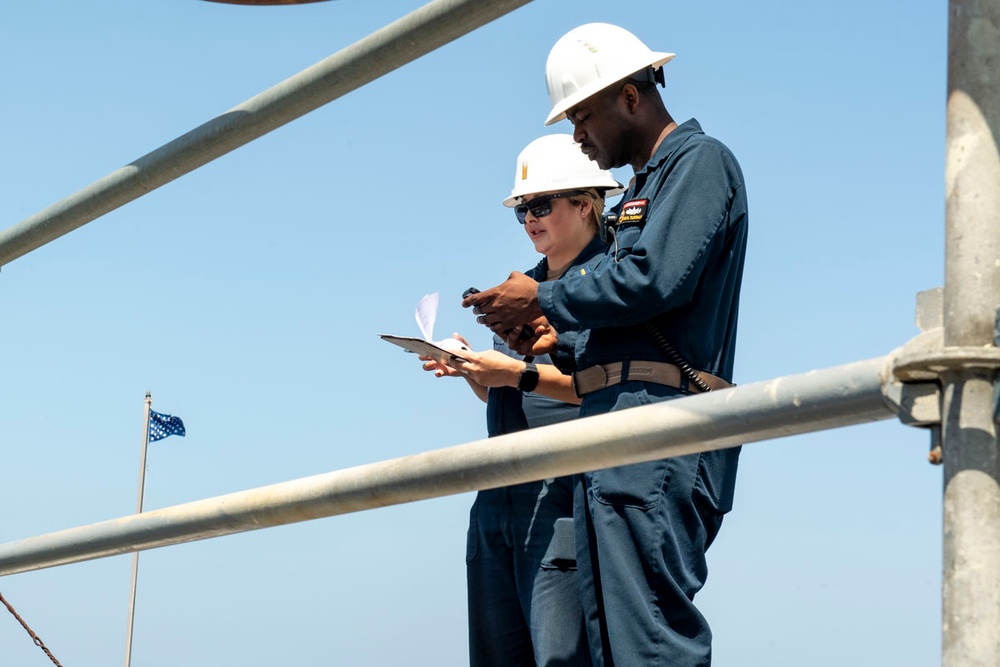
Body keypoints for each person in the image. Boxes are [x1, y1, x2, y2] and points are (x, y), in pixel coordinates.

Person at [461, 23, 749, 667]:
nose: (577, 136)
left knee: (648, 643)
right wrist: (547, 336)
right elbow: (628, 311)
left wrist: (545, 300)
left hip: (659, 432)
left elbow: (653, 280)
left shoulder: (700, 163)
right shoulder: (646, 190)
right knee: (612, 647)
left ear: (629, 96)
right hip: (618, 435)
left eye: (582, 115)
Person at [420, 133, 623, 666]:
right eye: (522, 210)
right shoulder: (520, 287)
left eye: (540, 205)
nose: (529, 218)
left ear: (585, 203)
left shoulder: (610, 285)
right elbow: (508, 391)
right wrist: (468, 368)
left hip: (563, 498)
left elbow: (612, 389)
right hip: (497, 499)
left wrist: (512, 374)